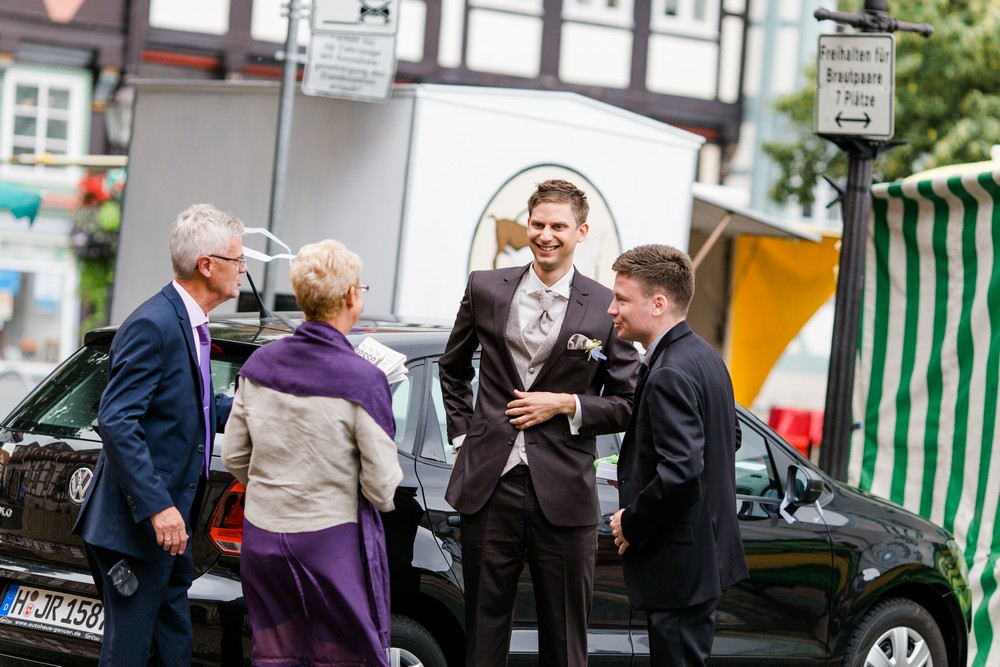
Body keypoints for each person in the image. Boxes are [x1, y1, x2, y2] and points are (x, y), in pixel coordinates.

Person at [439, 179, 640, 666]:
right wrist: (466, 434)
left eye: (558, 226)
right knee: (482, 634)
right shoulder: (485, 288)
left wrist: (568, 404)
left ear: (581, 231)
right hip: (489, 483)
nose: (545, 235)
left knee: (565, 640)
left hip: (565, 491)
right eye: (538, 224)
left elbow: (630, 401)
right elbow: (453, 366)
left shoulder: (603, 304)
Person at [73, 204, 245, 665]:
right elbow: (116, 420)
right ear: (206, 265)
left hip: (171, 529)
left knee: (171, 650)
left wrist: (269, 412)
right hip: (139, 527)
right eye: (237, 259)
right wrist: (159, 508)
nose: (243, 269)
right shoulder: (154, 323)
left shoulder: (191, 323)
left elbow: (196, 407)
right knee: (130, 654)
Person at [223, 239, 403, 666]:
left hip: (263, 538)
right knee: (342, 658)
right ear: (350, 296)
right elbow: (381, 487)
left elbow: (233, 454)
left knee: (275, 657)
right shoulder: (363, 379)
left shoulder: (258, 366)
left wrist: (273, 489)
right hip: (330, 541)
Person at [607, 244, 748, 667]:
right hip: (704, 554)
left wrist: (631, 519)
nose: (612, 309)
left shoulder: (669, 369)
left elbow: (684, 470)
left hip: (680, 563)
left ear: (659, 303)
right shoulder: (704, 356)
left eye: (622, 299)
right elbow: (730, 436)